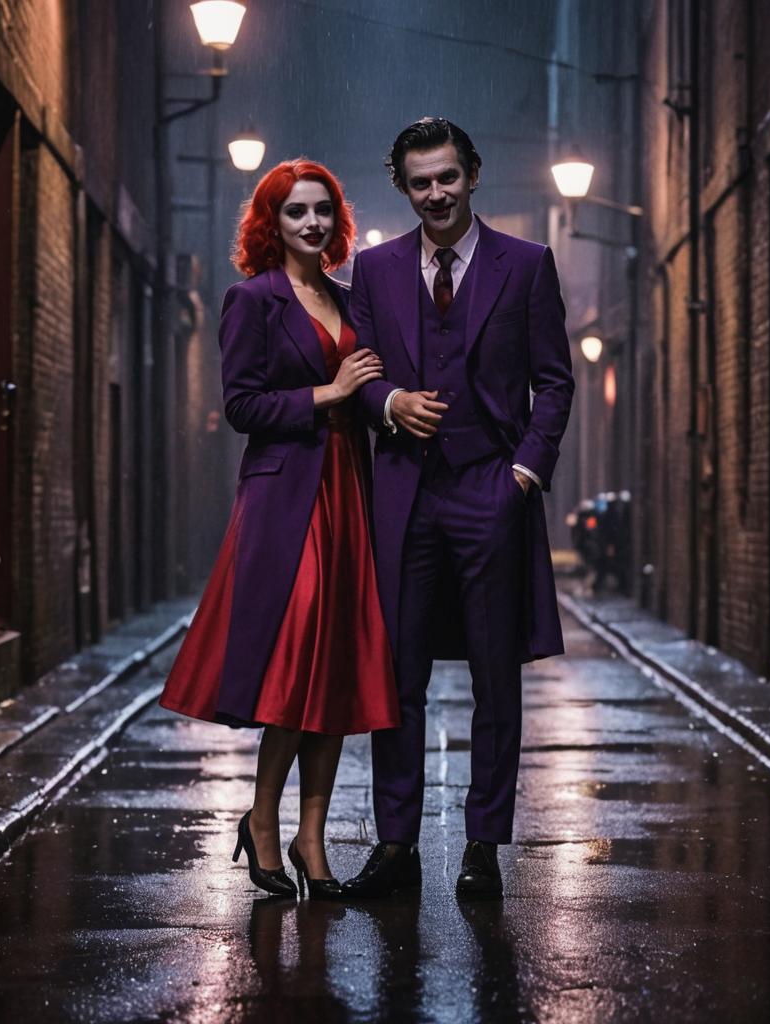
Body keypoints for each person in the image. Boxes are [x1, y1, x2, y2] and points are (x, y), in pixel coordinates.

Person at [343, 118, 574, 900]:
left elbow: (556, 382)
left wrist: (523, 475)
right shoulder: (372, 271)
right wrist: (388, 402)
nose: (435, 193)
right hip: (403, 496)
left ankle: (483, 844)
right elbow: (360, 372)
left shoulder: (527, 266)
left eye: (447, 177)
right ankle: (396, 845)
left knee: (493, 680)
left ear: (472, 175)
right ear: (402, 188)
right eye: (419, 182)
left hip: (489, 491)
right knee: (396, 679)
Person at [159, 159, 400, 899]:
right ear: (273, 221)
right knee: (294, 666)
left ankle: (311, 837)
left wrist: (386, 403)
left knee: (337, 671)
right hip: (286, 498)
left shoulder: (347, 294)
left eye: (323, 210)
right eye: (296, 212)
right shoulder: (252, 300)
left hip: (348, 488)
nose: (313, 224)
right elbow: (242, 407)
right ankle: (263, 819)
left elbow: (372, 386)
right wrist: (330, 392)